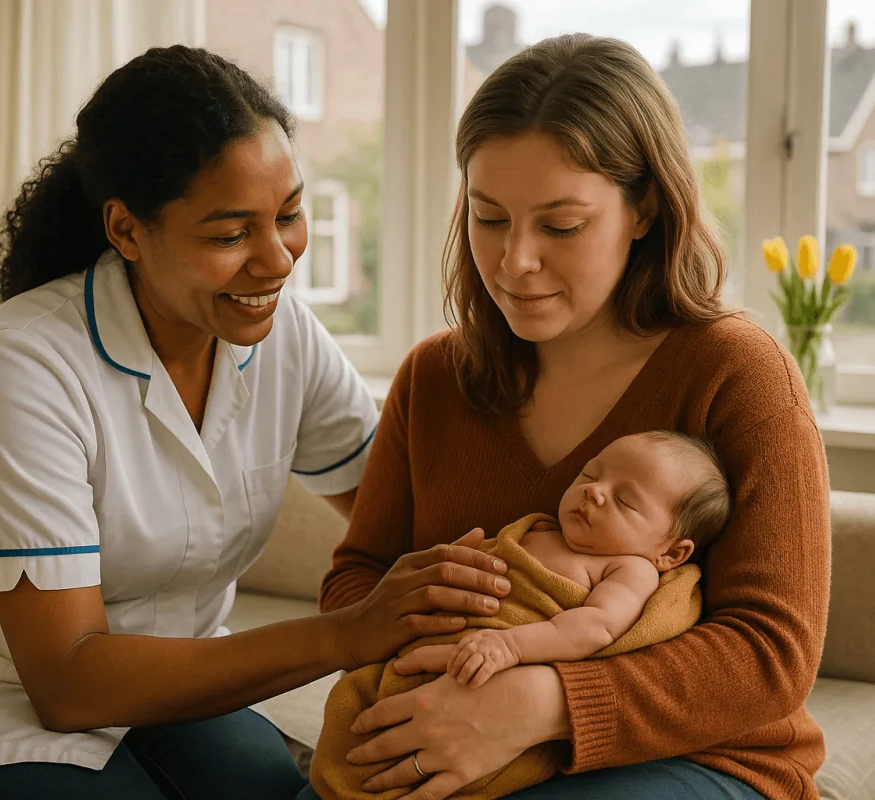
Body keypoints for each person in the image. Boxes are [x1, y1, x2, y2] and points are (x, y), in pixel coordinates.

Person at [0, 46, 512, 800]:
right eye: (229, 235)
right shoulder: (25, 364)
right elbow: (67, 683)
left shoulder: (284, 334)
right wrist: (346, 633)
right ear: (127, 231)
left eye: (289, 215)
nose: (277, 261)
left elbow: (406, 515)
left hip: (172, 687)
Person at [298, 33, 830, 800]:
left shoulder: (740, 376)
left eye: (561, 226)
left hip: (700, 760)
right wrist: (422, 641)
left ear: (645, 208)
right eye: (489, 218)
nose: (515, 261)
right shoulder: (434, 378)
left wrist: (540, 703)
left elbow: (769, 655)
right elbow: (357, 578)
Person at [309, 430, 732, 800]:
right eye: (590, 473)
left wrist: (509, 644)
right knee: (355, 715)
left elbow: (596, 627)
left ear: (670, 552)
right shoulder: (539, 530)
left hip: (503, 664)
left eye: (624, 500)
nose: (594, 491)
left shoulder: (630, 568)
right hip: (437, 650)